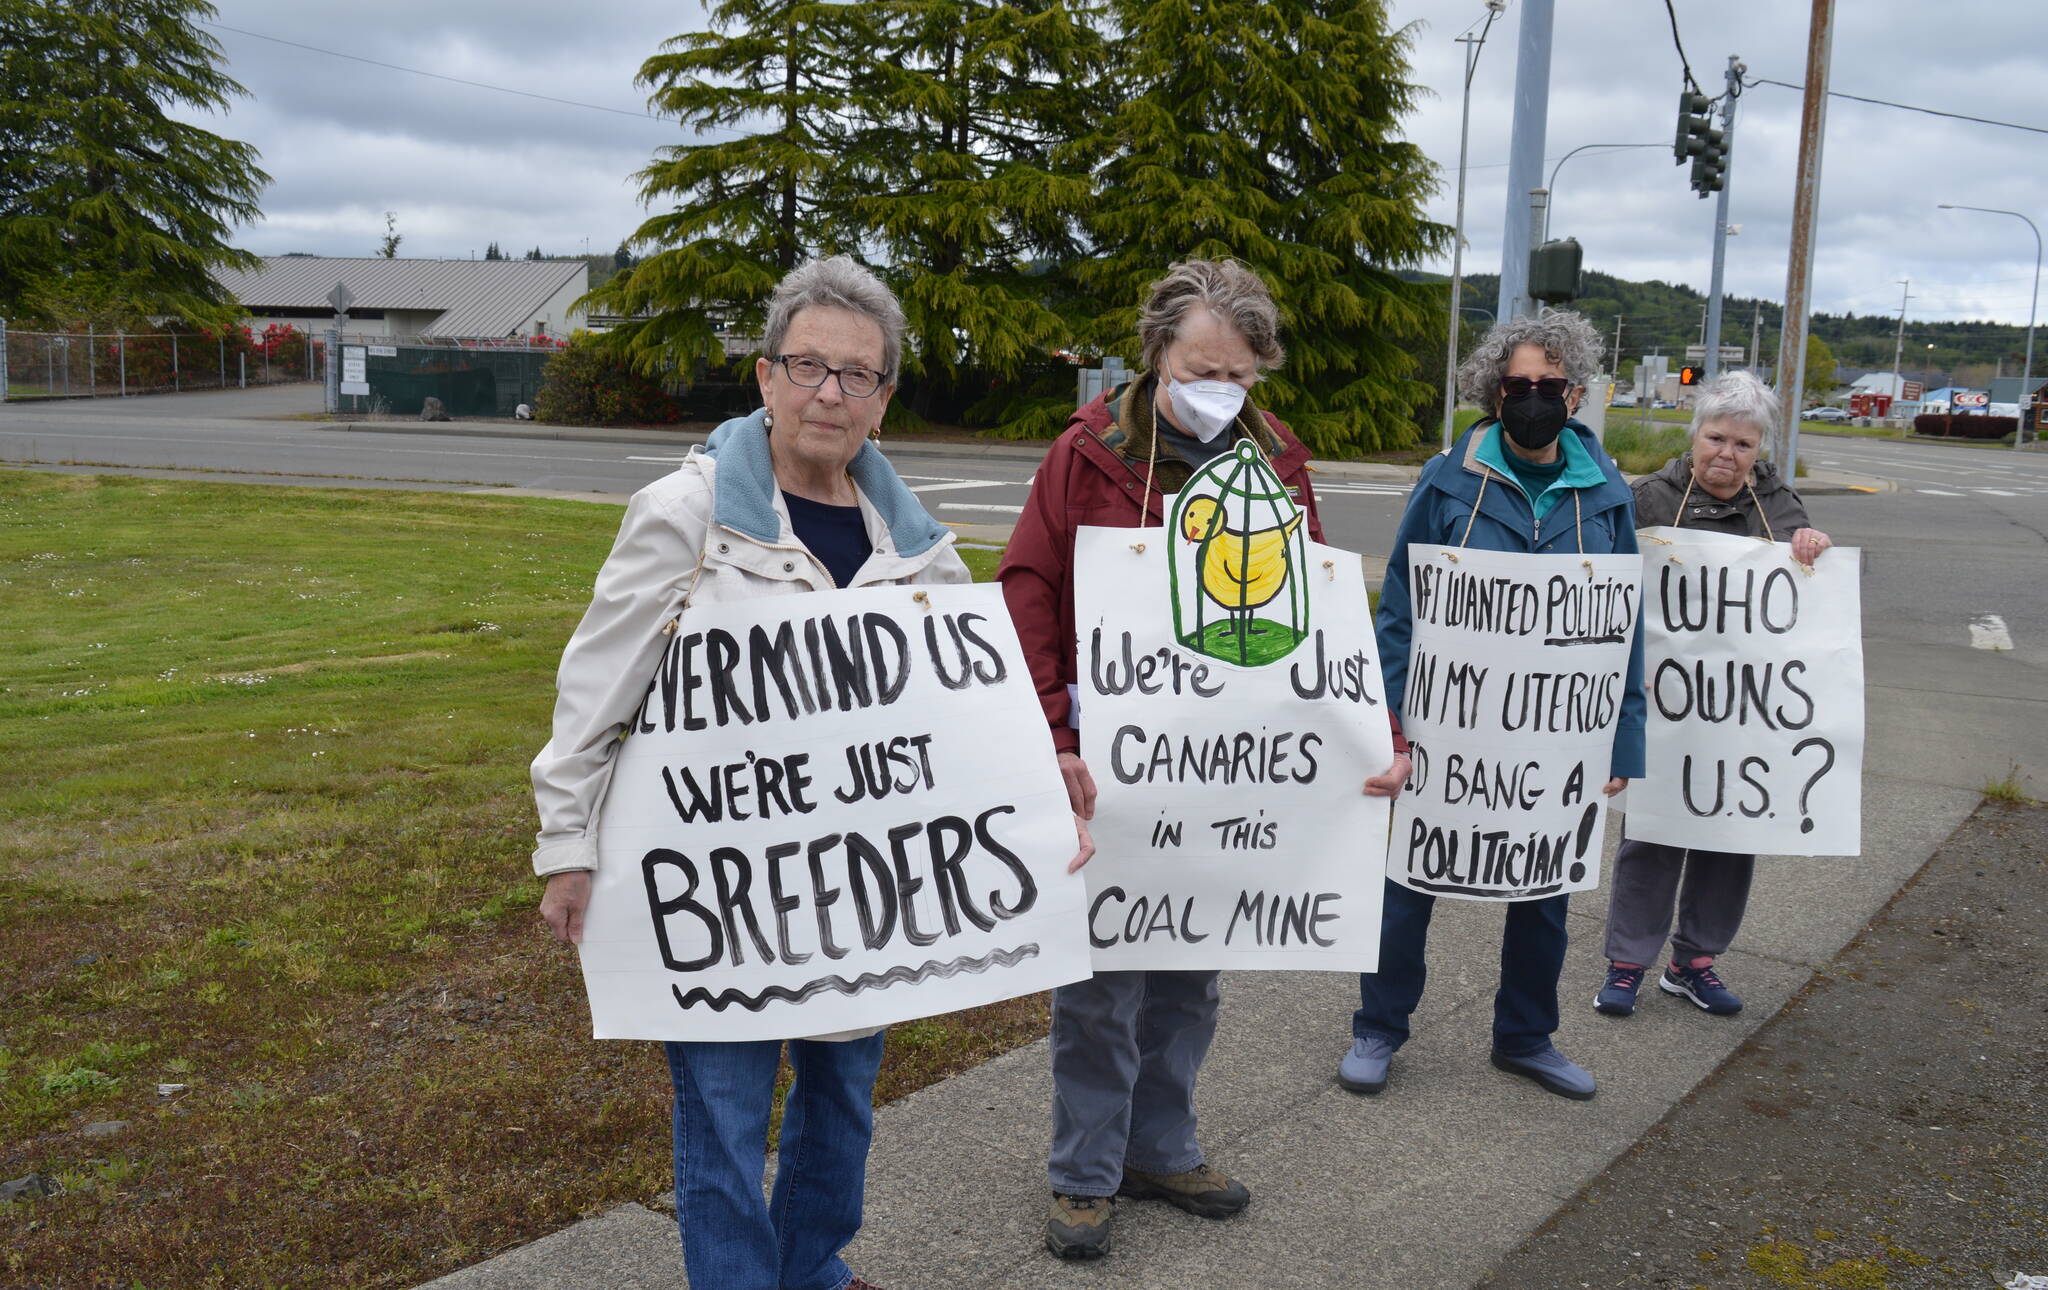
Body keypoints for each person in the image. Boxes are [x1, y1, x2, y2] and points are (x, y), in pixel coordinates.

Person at [529, 256, 987, 1290]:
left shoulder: (916, 550)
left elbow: (970, 712)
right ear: (765, 375)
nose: (830, 393)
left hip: (860, 889)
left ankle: (809, 1260)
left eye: (857, 375)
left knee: (840, 1100)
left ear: (883, 398)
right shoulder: (685, 517)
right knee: (728, 1120)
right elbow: (597, 688)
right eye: (808, 365)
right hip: (717, 885)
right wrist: (568, 842)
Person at [999, 258, 1408, 1260]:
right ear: (1155, 355)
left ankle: (1160, 1144)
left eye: (1235, 372)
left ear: (1259, 371)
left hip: (1222, 778)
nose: (1213, 388)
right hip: (1113, 770)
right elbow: (1027, 592)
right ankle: (1084, 1172)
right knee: (1102, 985)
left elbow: (1317, 616)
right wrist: (1052, 734)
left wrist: (1372, 734)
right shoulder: (1083, 456)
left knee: (1190, 970)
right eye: (1195, 366)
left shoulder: (1279, 465)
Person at [1341, 309, 1646, 1103]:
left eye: (1551, 386)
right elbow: (1401, 603)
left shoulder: (1607, 497)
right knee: (1410, 882)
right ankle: (1379, 1025)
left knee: (1544, 891)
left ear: (1575, 395)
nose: (1535, 398)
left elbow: (1625, 627)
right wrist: (1392, 719)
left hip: (1555, 737)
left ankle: (1525, 1036)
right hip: (1446, 729)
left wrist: (1623, 740)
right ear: (1493, 390)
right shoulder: (1449, 480)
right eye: (1520, 385)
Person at [1594, 369, 1833, 1019]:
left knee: (1730, 835)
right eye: (1715, 437)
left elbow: (1805, 598)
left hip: (1740, 711)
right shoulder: (1647, 501)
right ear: (1694, 434)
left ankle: (1694, 962)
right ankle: (1626, 963)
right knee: (1654, 831)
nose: (1725, 455)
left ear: (1761, 452)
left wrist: (1810, 548)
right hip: (1666, 705)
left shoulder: (1780, 510)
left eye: (1743, 445)